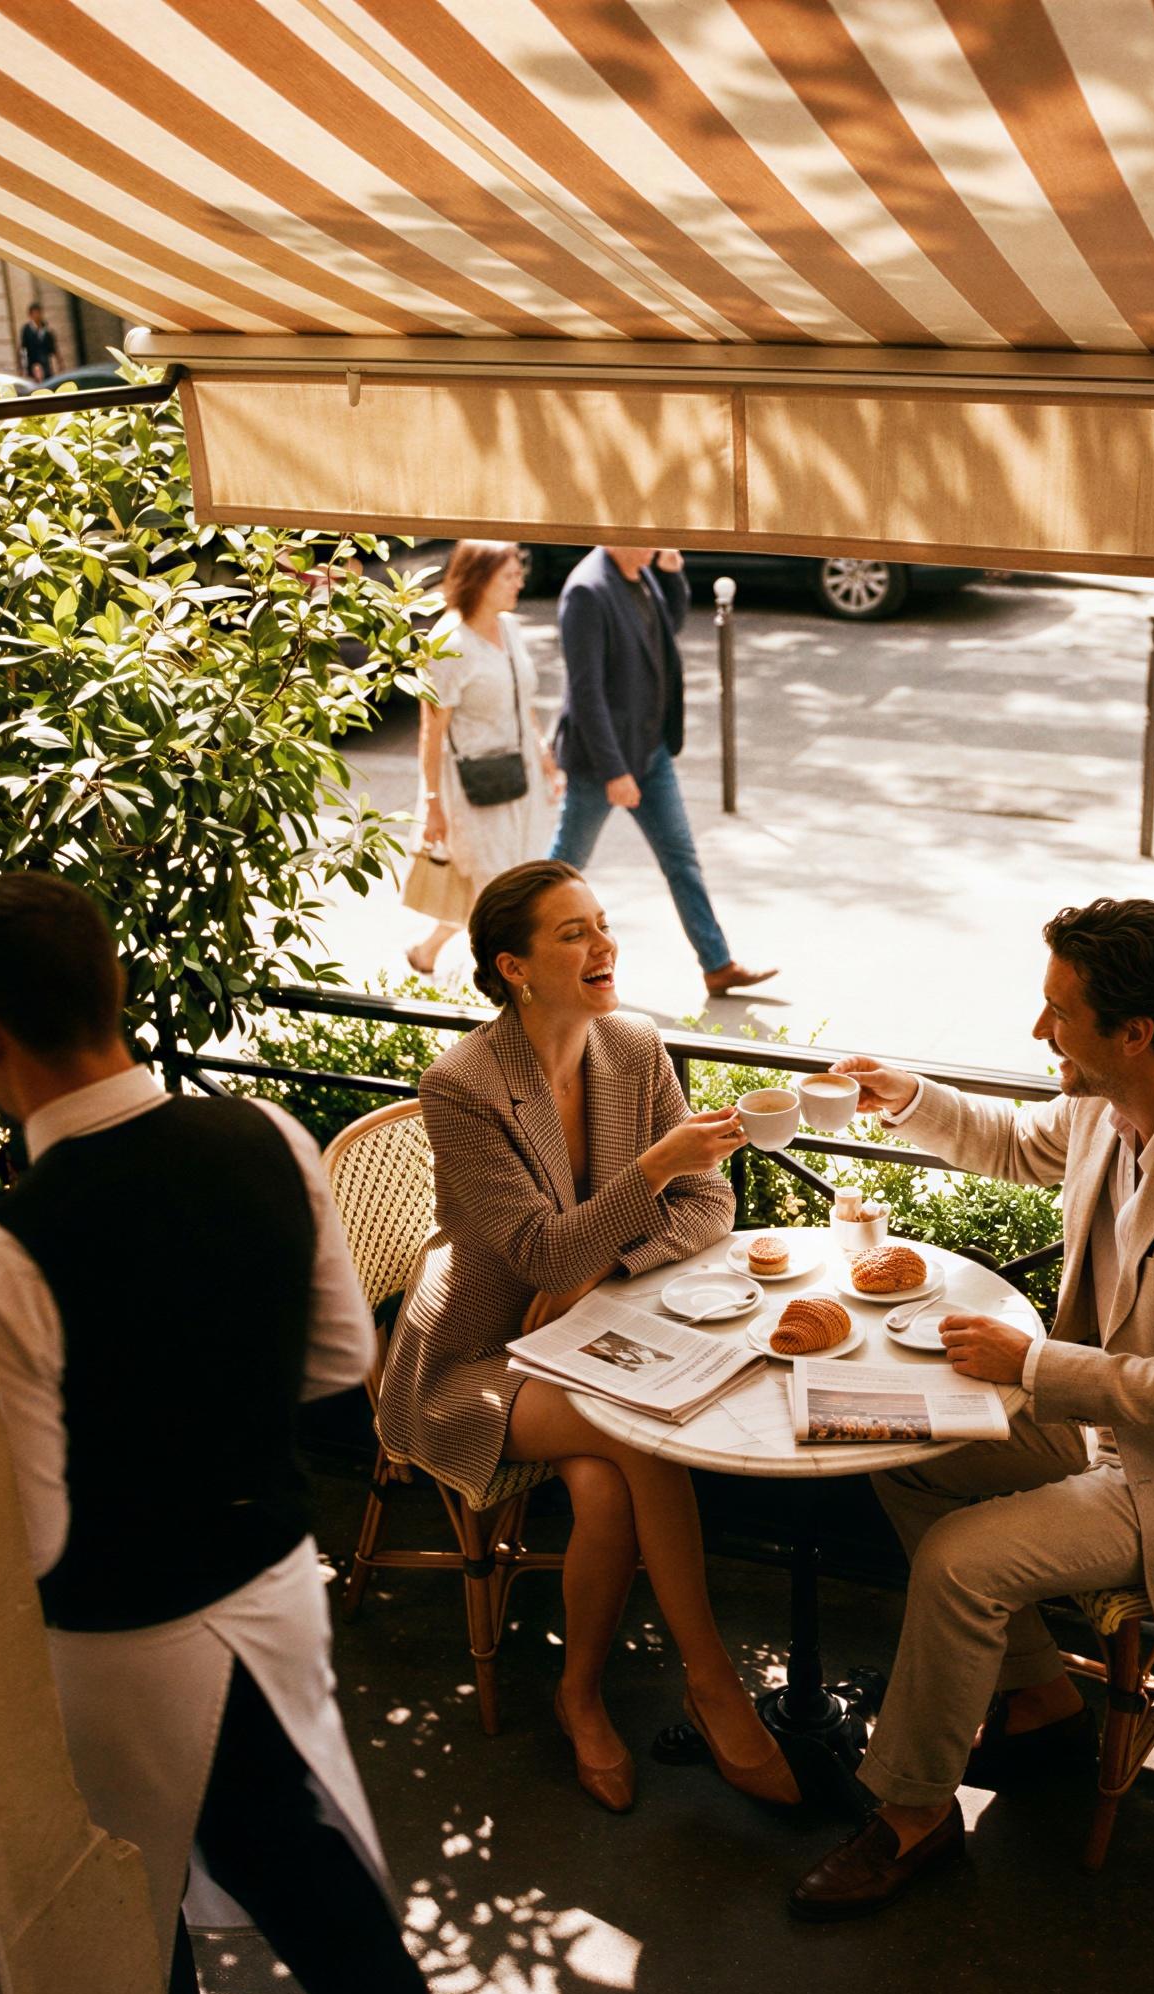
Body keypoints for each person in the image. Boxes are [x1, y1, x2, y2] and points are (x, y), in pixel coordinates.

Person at [0, 875, 463, 1994]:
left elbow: (31, 1537)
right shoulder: (264, 1134)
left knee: (134, 1905)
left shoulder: (3, 1251)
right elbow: (335, 1357)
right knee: (300, 1856)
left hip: (119, 1639)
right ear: (113, 985)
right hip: (270, 1581)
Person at [788, 898, 1154, 1919]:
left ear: (1133, 1031)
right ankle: (1036, 1696)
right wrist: (909, 1095)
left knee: (958, 1559)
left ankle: (913, 1814)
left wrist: (1032, 1362)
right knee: (898, 1436)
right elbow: (1019, 1142)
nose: (1040, 1033)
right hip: (1104, 1430)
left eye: (1057, 1013)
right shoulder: (1117, 1095)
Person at [381, 859, 801, 1813]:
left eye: (602, 924)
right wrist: (648, 1173)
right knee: (635, 1426)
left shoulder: (633, 1045)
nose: (603, 945)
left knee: (608, 1487)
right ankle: (711, 1682)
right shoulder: (462, 1086)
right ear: (514, 966)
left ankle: (579, 1698)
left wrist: (602, 1271)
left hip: (584, 1328)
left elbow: (713, 1203)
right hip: (474, 1354)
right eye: (572, 934)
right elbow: (534, 1251)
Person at [545, 545, 774, 999]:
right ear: (617, 533)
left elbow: (663, 632)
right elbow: (585, 693)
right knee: (563, 871)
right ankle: (530, 960)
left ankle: (717, 964)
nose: (661, 539)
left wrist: (671, 575)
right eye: (652, 532)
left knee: (681, 859)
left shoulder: (641, 572)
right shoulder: (587, 592)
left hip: (651, 753)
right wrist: (614, 771)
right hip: (602, 762)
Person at [406, 539, 562, 974]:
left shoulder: (507, 626)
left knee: (509, 880)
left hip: (520, 775)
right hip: (472, 787)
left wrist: (543, 751)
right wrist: (433, 805)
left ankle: (428, 949)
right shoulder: (448, 643)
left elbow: (521, 697)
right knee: (501, 891)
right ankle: (505, 982)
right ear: (479, 579)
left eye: (519, 572)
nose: (520, 582)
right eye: (509, 575)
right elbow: (431, 731)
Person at [18, 301, 58, 381]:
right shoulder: (27, 330)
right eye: (35, 313)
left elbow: (53, 348)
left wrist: (59, 362)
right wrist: (21, 367)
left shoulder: (46, 329)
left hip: (45, 363)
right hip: (33, 362)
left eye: (39, 313)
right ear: (30, 315)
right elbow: (22, 348)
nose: (37, 315)